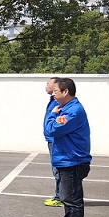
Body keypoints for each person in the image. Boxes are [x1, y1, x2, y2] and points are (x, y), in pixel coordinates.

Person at [44, 77, 91, 217]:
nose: (53, 94)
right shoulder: (66, 108)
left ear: (66, 92)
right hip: (66, 159)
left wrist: (52, 115)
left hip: (72, 161)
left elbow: (52, 130)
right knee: (67, 197)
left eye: (56, 91)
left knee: (73, 199)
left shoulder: (73, 111)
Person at [43, 76, 63, 207]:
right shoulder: (53, 100)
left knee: (58, 169)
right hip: (51, 139)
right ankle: (59, 196)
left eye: (48, 84)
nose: (46, 86)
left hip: (55, 140)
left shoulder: (58, 102)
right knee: (56, 169)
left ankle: (60, 197)